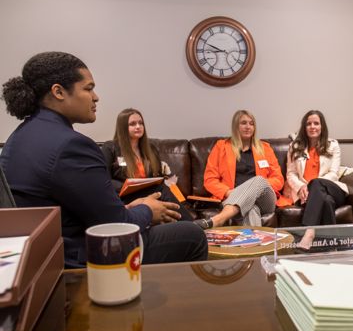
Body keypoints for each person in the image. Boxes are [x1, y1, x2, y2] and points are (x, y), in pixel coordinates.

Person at [0, 52, 207, 267]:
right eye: (88, 88)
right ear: (59, 92)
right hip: (79, 257)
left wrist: (131, 209)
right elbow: (117, 226)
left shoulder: (18, 137)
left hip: (42, 253)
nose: (96, 97)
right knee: (191, 235)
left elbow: (81, 210)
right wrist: (147, 211)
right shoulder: (71, 146)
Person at [194, 110, 284, 229]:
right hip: (233, 197)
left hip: (264, 199)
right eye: (243, 123)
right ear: (235, 126)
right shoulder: (221, 147)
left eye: (251, 124)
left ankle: (219, 219)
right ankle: (253, 246)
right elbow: (210, 180)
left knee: (259, 180)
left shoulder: (265, 148)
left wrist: (257, 186)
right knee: (251, 209)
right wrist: (228, 192)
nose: (248, 127)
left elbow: (278, 179)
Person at [101, 108, 194, 221]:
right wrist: (126, 186)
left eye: (141, 123)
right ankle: (192, 224)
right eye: (132, 124)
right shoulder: (110, 148)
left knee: (160, 189)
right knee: (160, 189)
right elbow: (104, 179)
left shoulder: (151, 148)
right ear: (123, 127)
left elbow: (157, 175)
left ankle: (186, 227)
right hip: (124, 196)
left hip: (149, 193)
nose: (138, 126)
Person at [284, 110, 348, 249]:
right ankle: (332, 245)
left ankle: (309, 231)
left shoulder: (333, 145)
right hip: (304, 194)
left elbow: (334, 173)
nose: (312, 127)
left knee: (317, 184)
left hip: (332, 189)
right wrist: (301, 187)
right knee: (326, 202)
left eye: (316, 123)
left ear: (322, 126)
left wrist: (313, 185)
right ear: (304, 127)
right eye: (309, 124)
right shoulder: (294, 146)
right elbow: (291, 174)